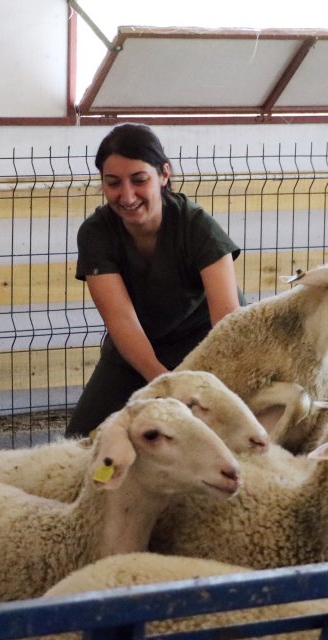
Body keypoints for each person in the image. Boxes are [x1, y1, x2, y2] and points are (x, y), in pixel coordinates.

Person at [66, 123, 243, 438]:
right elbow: (121, 321)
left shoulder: (197, 225)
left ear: (163, 174)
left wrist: (211, 388)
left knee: (221, 433)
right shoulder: (95, 233)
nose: (127, 195)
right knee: (81, 441)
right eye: (113, 183)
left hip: (204, 346)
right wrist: (167, 388)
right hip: (136, 351)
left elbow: (226, 321)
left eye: (139, 180)